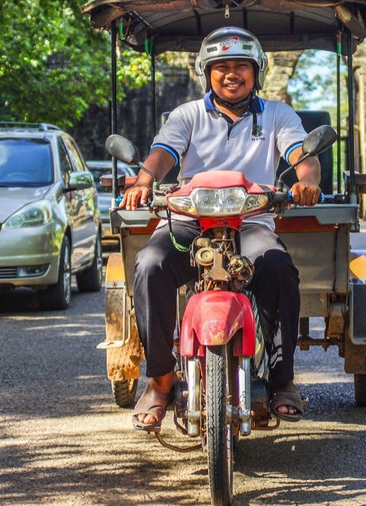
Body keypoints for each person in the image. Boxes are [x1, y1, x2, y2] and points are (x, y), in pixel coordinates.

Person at [119, 26, 321, 431]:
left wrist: (307, 180)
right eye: (222, 67)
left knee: (278, 267)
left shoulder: (278, 114)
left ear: (256, 72)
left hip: (251, 221)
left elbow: (302, 155)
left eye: (241, 67)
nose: (232, 74)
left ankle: (282, 380)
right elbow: (162, 155)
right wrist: (144, 181)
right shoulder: (187, 115)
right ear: (207, 73)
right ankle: (160, 381)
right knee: (149, 265)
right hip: (190, 223)